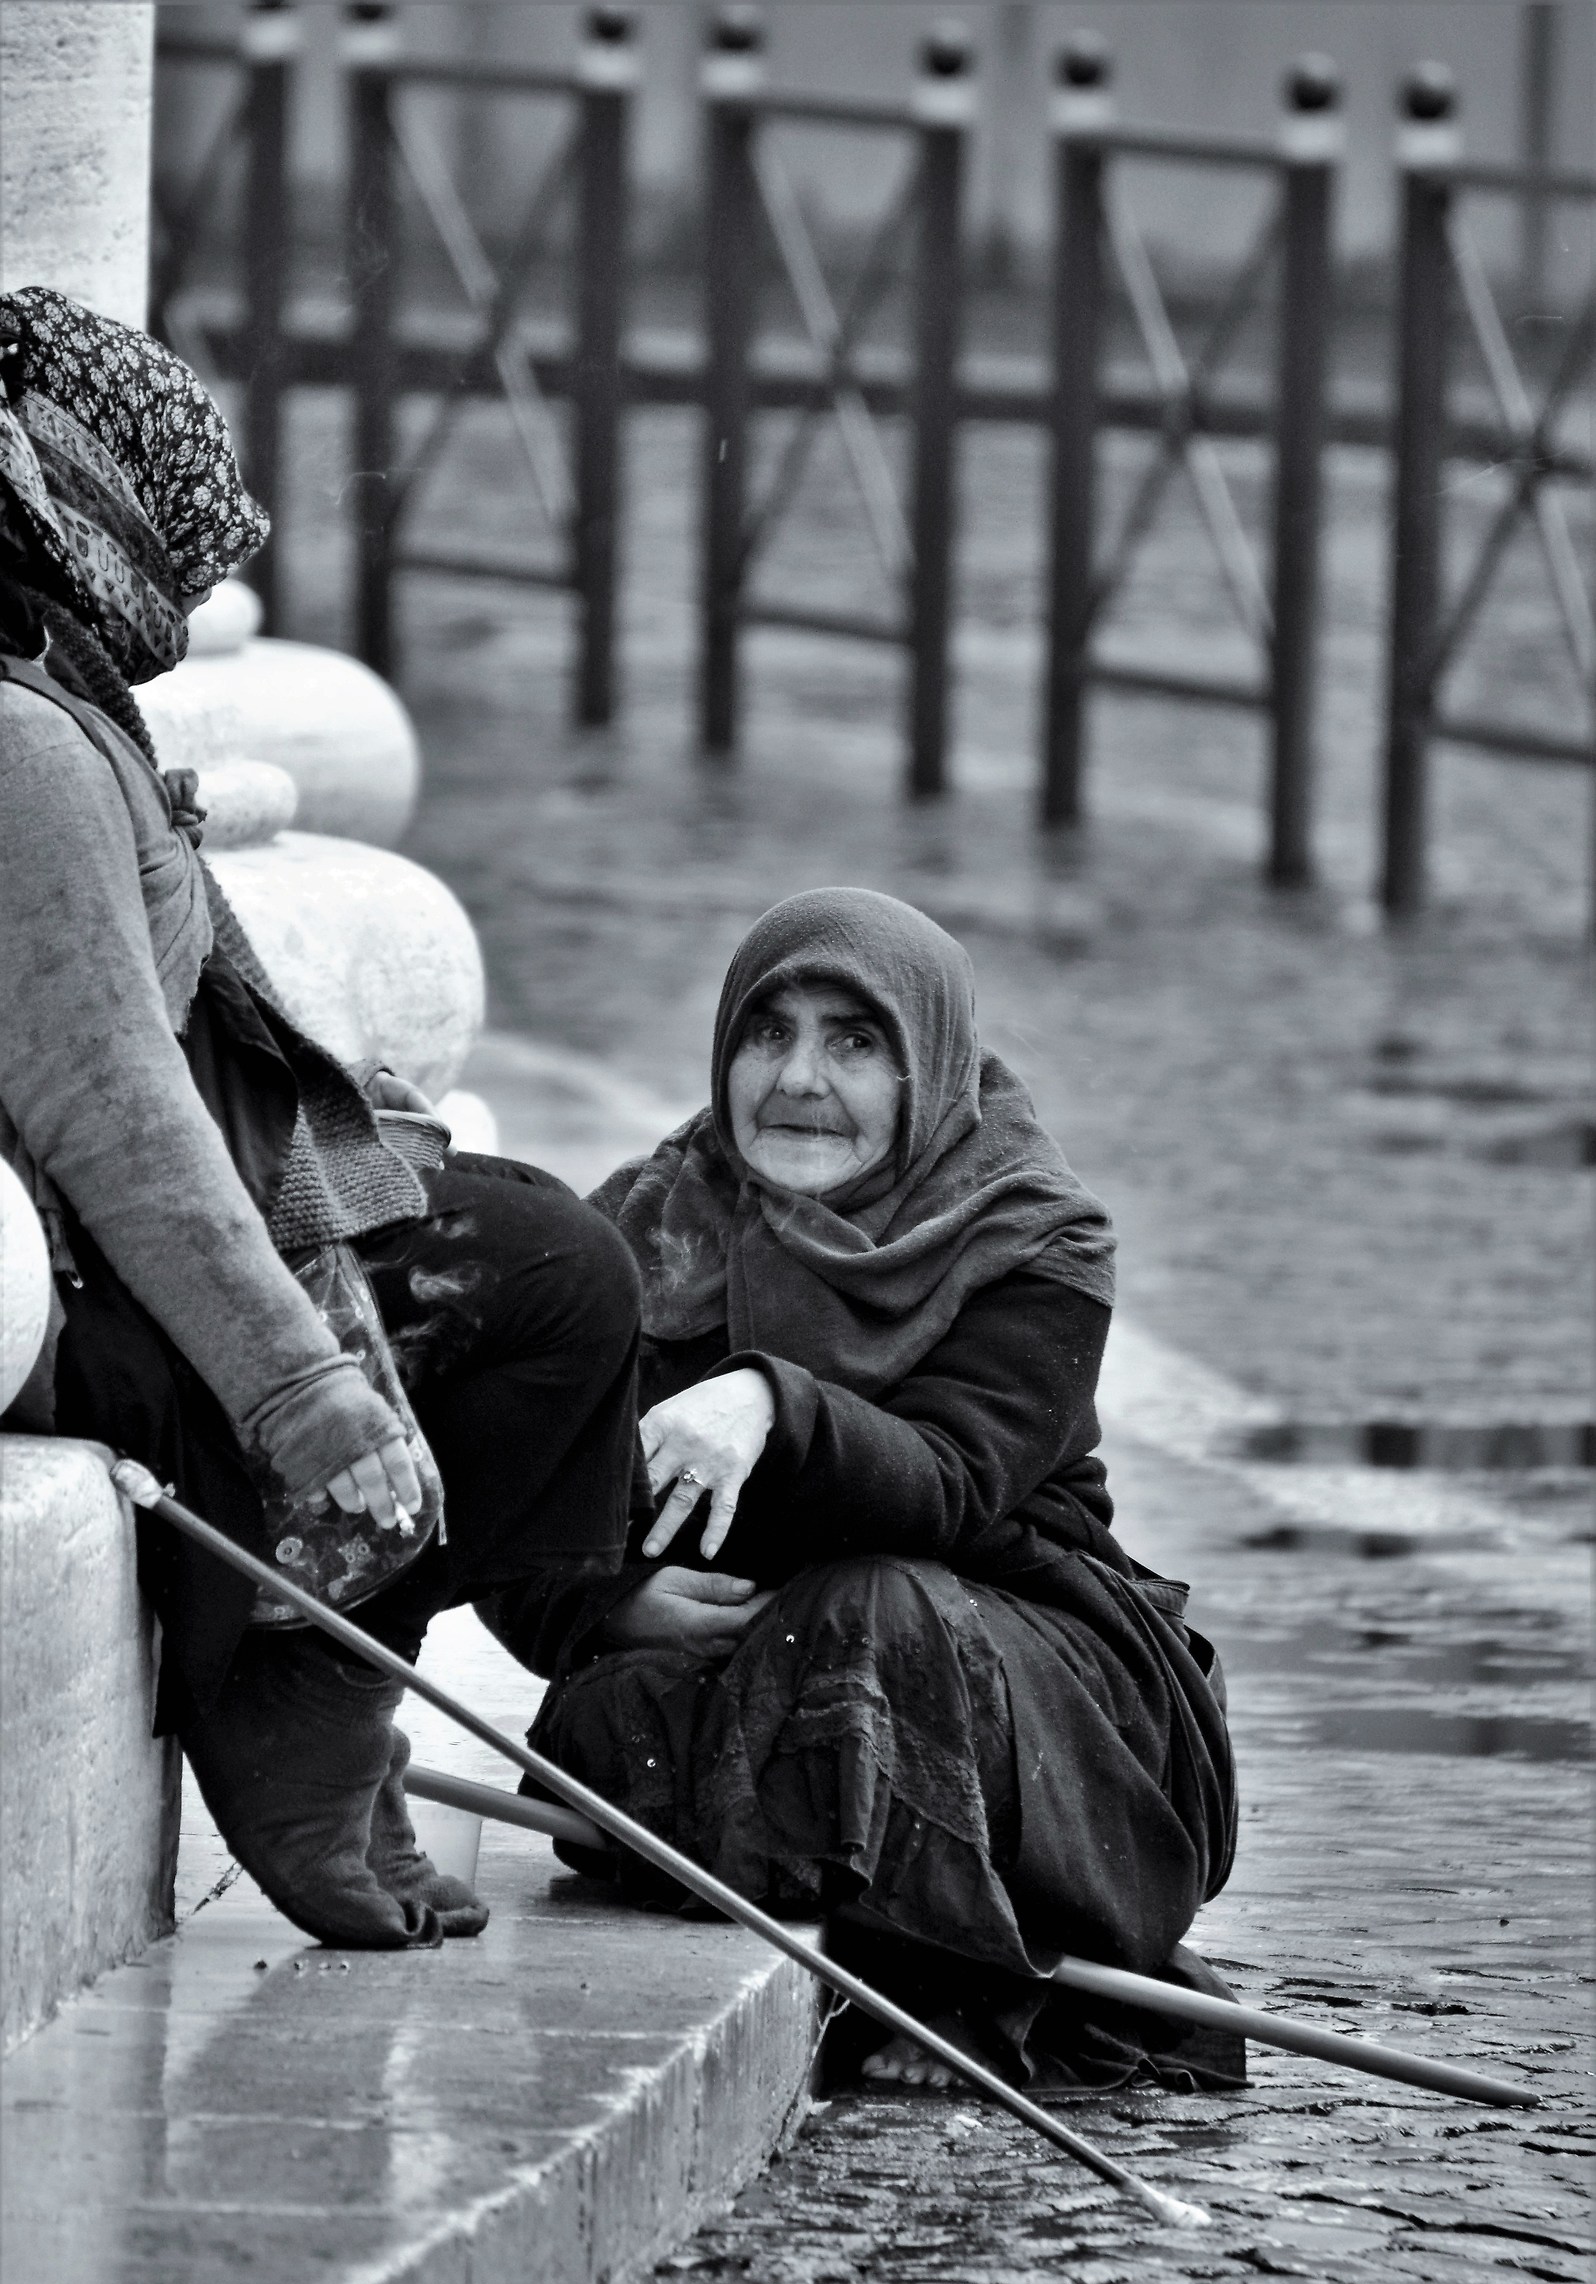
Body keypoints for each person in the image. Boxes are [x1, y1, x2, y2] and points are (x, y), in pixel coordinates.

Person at [0, 287, 641, 1951]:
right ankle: (299, 1674)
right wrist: (306, 1400)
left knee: (514, 1228)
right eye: (174, 535)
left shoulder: (52, 695)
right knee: (559, 1282)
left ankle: (342, 1672)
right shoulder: (17, 743)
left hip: (100, 1262)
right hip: (99, 1302)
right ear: (82, 495)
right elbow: (118, 1122)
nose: (199, 592)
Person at [522, 888, 1239, 2092]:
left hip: (1027, 1683)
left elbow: (951, 1486)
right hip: (761, 1661)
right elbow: (529, 1499)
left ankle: (951, 1979)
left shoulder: (1036, 1241)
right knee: (615, 1712)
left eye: (855, 1043)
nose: (799, 1078)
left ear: (927, 1070)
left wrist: (770, 1402)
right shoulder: (653, 1226)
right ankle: (843, 1883)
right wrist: (605, 1605)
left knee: (875, 1607)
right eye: (770, 1033)